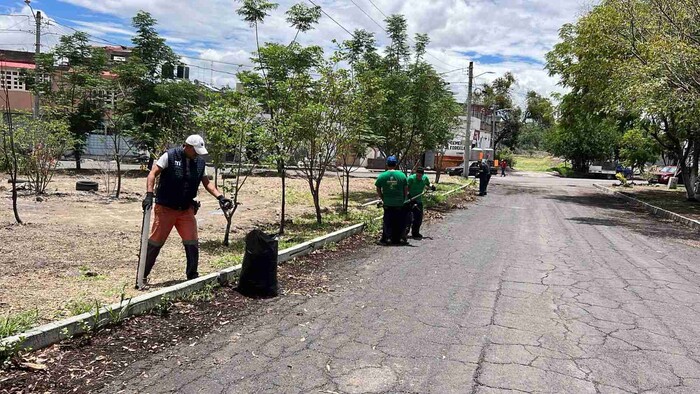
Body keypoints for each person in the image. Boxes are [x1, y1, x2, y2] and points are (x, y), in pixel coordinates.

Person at [141, 135, 232, 283]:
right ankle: (142, 275)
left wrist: (220, 197)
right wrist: (149, 194)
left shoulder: (200, 163)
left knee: (192, 241)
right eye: (195, 151)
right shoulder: (169, 156)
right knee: (156, 241)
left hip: (186, 209)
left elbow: (207, 183)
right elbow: (152, 173)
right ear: (187, 146)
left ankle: (192, 277)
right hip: (166, 207)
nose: (197, 154)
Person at [375, 156, 408, 245]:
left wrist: (382, 198)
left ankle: (386, 239)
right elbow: (406, 189)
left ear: (387, 164)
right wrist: (404, 198)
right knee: (400, 221)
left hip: (388, 203)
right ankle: (400, 238)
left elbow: (378, 188)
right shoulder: (402, 175)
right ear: (396, 164)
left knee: (387, 221)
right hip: (399, 203)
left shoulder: (382, 176)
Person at [406, 167, 435, 239]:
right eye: (417, 175)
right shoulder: (411, 179)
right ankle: (404, 233)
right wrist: (410, 198)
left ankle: (415, 233)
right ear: (416, 174)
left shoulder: (424, 178)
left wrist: (432, 187)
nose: (419, 177)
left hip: (418, 200)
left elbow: (428, 184)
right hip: (409, 200)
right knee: (408, 218)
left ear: (422, 175)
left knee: (418, 218)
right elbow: (406, 189)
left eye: (420, 176)